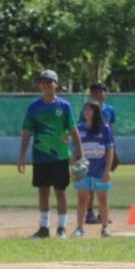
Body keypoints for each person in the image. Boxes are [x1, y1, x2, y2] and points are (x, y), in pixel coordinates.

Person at [17, 70, 83, 239]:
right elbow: (26, 132)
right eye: (43, 82)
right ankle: (44, 228)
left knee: (60, 192)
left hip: (60, 156)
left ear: (56, 85)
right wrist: (22, 155)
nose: (47, 85)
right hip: (40, 155)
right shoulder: (34, 107)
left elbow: (73, 130)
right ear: (40, 85)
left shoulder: (64, 106)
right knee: (43, 192)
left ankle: (61, 228)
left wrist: (79, 151)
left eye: (50, 82)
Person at [73, 101, 115, 238]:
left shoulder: (105, 128)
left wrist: (107, 170)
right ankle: (79, 228)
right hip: (84, 167)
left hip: (100, 167)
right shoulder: (79, 128)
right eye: (85, 110)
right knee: (82, 198)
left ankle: (105, 228)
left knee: (102, 198)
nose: (87, 112)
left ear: (96, 112)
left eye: (90, 110)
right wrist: (73, 167)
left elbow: (110, 150)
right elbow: (76, 151)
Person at [85, 82, 116, 224]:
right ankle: (89, 212)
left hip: (105, 150)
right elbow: (82, 128)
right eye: (96, 92)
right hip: (91, 151)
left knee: (104, 180)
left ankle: (101, 214)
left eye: (102, 91)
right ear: (92, 94)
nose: (100, 94)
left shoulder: (110, 109)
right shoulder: (87, 109)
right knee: (90, 184)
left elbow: (111, 129)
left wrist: (114, 149)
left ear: (106, 94)